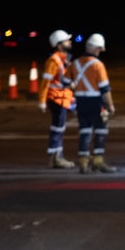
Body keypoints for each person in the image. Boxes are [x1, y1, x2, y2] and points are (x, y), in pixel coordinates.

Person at [67, 33, 117, 173]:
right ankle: (97, 161)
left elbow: (65, 82)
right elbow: (105, 89)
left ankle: (83, 162)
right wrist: (111, 106)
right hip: (96, 103)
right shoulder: (98, 65)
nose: (100, 52)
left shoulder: (75, 63)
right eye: (100, 49)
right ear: (96, 48)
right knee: (101, 130)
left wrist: (76, 89)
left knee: (85, 131)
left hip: (81, 103)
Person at [36, 29, 77, 169]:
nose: (69, 42)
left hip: (63, 99)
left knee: (59, 129)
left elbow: (62, 81)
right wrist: (42, 101)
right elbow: (45, 82)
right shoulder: (54, 61)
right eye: (66, 40)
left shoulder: (64, 60)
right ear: (59, 45)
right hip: (56, 99)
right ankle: (56, 158)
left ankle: (56, 157)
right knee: (57, 129)